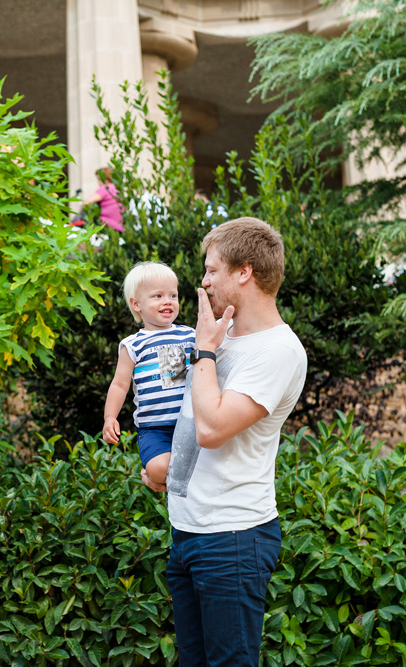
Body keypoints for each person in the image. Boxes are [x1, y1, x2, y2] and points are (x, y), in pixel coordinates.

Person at [142, 217, 307, 665]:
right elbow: (181, 404)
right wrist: (160, 462)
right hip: (188, 529)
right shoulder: (221, 333)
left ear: (244, 272)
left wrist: (205, 349)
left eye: (212, 269)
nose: (203, 280)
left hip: (232, 538)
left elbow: (213, 429)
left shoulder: (278, 351)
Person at [102, 262, 194, 485]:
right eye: (158, 296)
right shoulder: (133, 345)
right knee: (160, 469)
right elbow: (119, 384)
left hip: (192, 423)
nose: (168, 301)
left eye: (173, 295)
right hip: (154, 428)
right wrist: (110, 418)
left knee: (205, 464)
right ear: (136, 304)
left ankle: (181, 481)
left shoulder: (190, 335)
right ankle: (163, 479)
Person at [76, 167, 125, 232]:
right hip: (120, 227)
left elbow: (86, 203)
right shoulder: (118, 189)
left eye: (98, 179)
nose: (98, 182)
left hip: (107, 225)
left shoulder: (106, 188)